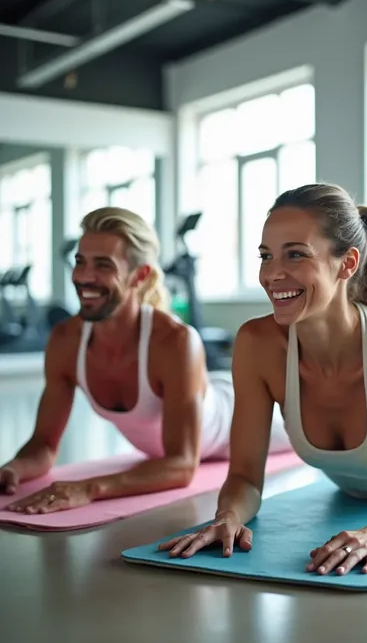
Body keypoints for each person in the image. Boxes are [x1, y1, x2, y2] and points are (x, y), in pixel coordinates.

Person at [160, 182, 367, 576]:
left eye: (296, 255)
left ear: (347, 263)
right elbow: (243, 477)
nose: (273, 274)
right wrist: (228, 515)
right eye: (266, 256)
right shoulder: (258, 344)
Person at [0, 207, 291, 514]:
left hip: (244, 416)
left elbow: (181, 466)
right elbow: (44, 444)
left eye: (103, 265)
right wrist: (13, 469)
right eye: (80, 261)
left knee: (313, 431)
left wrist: (90, 488)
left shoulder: (174, 342)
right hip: (207, 404)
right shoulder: (65, 342)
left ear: (139, 276)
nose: (84, 276)